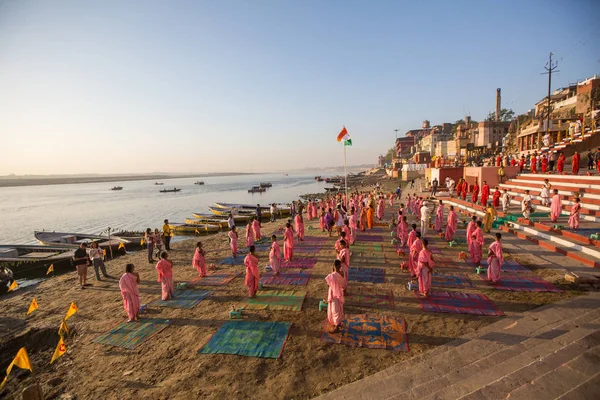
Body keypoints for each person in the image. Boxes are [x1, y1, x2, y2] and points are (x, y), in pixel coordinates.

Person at [325, 260, 346, 333]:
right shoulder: (341, 273)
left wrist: (332, 271)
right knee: (339, 308)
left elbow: (328, 284)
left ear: (334, 266)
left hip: (334, 294)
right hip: (339, 293)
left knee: (335, 310)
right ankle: (338, 323)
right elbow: (343, 284)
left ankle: (337, 326)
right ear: (339, 266)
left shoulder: (331, 275)